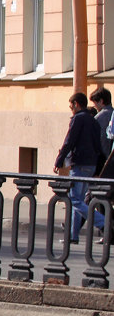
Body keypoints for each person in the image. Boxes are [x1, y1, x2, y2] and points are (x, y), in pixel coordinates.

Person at [54, 92, 104, 242]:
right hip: (91, 165)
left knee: (74, 199)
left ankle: (103, 222)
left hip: (80, 163)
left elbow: (70, 141)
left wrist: (59, 160)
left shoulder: (78, 119)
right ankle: (72, 236)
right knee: (79, 200)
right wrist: (99, 166)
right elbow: (98, 145)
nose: (71, 109)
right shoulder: (93, 120)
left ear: (76, 104)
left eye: (71, 106)